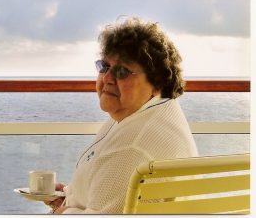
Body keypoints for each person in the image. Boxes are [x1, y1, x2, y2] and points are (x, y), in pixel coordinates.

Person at [44, 17, 198, 214]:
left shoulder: (132, 147)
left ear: (157, 83)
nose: (107, 78)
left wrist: (62, 212)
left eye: (122, 71)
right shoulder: (160, 113)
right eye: (104, 67)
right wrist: (69, 196)